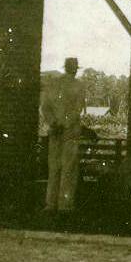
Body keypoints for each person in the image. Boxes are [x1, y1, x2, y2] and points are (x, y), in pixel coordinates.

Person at [40, 56, 86, 215]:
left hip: (55, 131)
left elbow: (45, 107)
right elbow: (77, 109)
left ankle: (50, 204)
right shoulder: (78, 86)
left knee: (54, 167)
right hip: (69, 131)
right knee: (69, 168)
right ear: (75, 69)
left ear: (65, 67)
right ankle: (64, 205)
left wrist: (53, 123)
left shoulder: (52, 84)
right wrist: (64, 124)